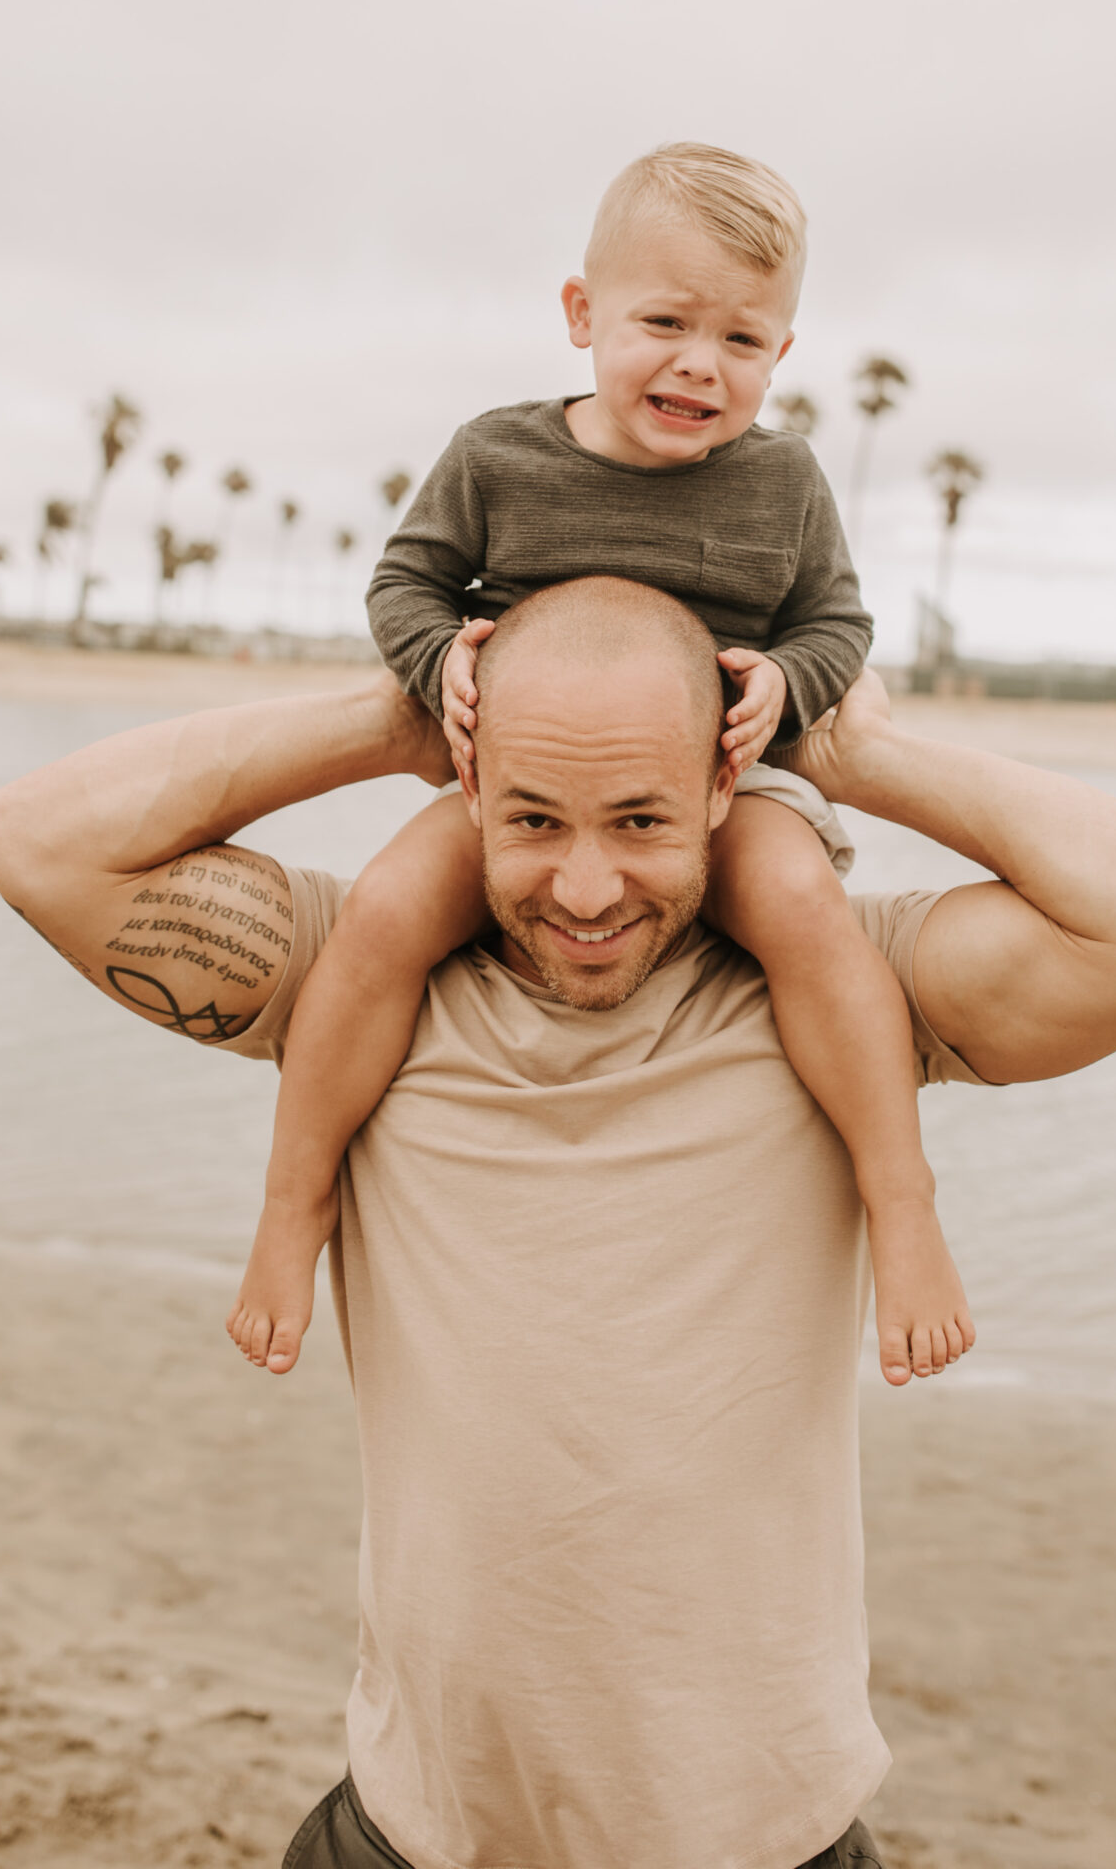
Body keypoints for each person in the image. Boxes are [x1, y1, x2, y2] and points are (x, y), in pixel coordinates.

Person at [0, 581, 1116, 1869]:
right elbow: (36, 838)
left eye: (640, 817)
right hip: (422, 1829)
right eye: (533, 817)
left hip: (761, 1833)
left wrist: (861, 754)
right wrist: (399, 716)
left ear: (717, 789)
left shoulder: (844, 998)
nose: (587, 888)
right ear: (474, 790)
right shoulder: (352, 987)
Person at [229, 142, 974, 1392]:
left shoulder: (782, 480)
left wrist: (791, 682)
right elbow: (404, 582)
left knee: (803, 910)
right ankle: (291, 1206)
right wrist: (438, 664)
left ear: (780, 356)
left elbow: (837, 623)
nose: (700, 362)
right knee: (384, 918)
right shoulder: (499, 457)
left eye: (742, 339)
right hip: (526, 796)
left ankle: (902, 1205)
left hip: (727, 790)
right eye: (665, 321)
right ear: (584, 316)